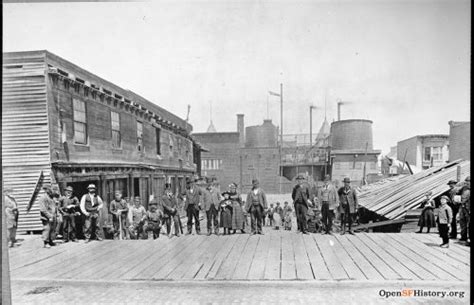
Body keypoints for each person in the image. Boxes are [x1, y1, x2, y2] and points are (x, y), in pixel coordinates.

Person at [459, 176, 470, 244]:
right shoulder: (463, 188)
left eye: (468, 182)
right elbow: (458, 192)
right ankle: (463, 236)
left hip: (468, 208)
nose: (466, 183)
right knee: (462, 222)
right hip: (462, 207)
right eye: (466, 182)